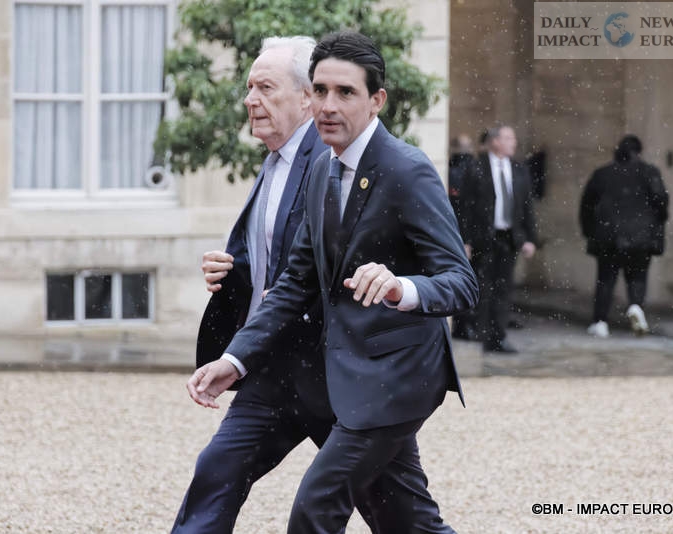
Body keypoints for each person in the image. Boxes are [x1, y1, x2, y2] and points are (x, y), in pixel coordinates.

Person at [186, 31, 478, 533]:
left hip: (397, 377)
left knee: (314, 509)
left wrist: (400, 287)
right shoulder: (323, 167)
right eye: (320, 90)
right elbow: (294, 284)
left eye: (345, 92)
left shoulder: (407, 169)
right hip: (347, 376)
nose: (328, 105)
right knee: (408, 523)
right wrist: (234, 360)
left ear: (376, 100)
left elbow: (460, 282)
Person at [579, 135, 669, 338]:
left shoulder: (602, 174)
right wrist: (653, 227)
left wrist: (590, 230)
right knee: (637, 277)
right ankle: (636, 307)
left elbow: (587, 205)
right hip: (641, 237)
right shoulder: (649, 172)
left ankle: (600, 322)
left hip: (609, 237)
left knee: (605, 280)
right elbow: (661, 203)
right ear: (639, 152)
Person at [460, 125, 537, 353]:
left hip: (509, 237)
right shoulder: (476, 168)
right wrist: (465, 240)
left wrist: (530, 238)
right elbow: (465, 208)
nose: (514, 142)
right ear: (495, 142)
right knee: (482, 287)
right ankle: (480, 333)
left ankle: (498, 336)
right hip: (484, 238)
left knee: (504, 289)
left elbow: (526, 207)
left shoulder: (519, 169)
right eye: (508, 138)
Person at [448, 134, 477, 339]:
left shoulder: (458, 169)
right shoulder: (465, 170)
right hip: (464, 234)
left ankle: (464, 324)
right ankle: (464, 325)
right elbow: (462, 208)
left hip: (461, 233)